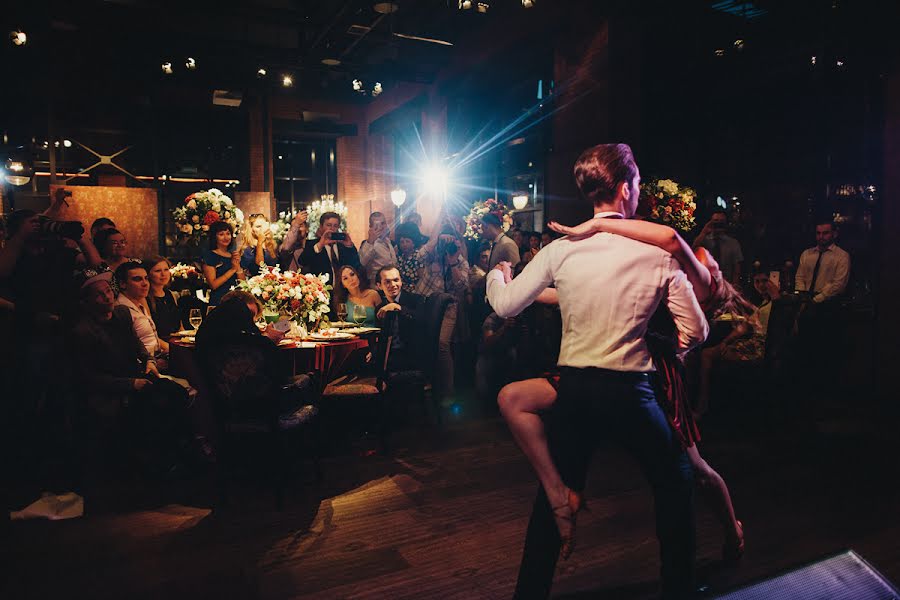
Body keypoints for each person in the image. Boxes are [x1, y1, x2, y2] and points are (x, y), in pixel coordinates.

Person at [488, 143, 708, 599]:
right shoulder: (658, 255)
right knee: (676, 483)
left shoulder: (561, 250)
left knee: (555, 497)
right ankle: (679, 590)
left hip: (576, 391)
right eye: (640, 185)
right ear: (626, 189)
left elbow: (506, 304)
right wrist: (675, 345)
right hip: (632, 391)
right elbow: (698, 330)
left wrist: (500, 273)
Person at [375, 265, 425, 372]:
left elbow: (422, 321)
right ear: (379, 286)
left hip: (412, 356)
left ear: (401, 282)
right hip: (389, 356)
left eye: (396, 280)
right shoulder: (380, 308)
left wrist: (398, 307)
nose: (393, 285)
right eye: (387, 282)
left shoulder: (416, 300)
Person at [115, 261, 168, 360]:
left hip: (158, 357)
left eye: (146, 278)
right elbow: (126, 352)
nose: (145, 284)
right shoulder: (121, 310)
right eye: (137, 279)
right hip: (145, 366)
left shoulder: (139, 304)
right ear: (122, 284)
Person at [298, 211, 360, 288]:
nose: (332, 229)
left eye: (335, 226)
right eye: (328, 225)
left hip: (344, 291)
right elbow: (302, 261)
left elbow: (356, 265)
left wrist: (349, 246)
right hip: (322, 291)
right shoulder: (312, 244)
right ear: (321, 227)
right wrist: (320, 245)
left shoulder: (343, 246)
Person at [794, 219, 850, 304]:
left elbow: (839, 284)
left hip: (828, 303)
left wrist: (817, 299)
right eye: (818, 233)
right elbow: (800, 277)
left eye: (825, 233)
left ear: (834, 234)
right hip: (805, 300)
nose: (821, 237)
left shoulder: (842, 256)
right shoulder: (806, 254)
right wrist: (802, 297)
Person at [693, 210, 744, 286]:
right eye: (715, 221)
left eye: (722, 221)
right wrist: (704, 232)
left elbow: (737, 269)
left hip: (726, 284)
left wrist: (735, 286)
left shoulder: (733, 243)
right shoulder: (704, 241)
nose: (718, 224)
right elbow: (692, 250)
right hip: (707, 283)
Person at [201, 221, 246, 306]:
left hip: (236, 300)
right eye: (221, 234)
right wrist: (232, 269)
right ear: (215, 237)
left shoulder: (233, 255)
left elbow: (243, 283)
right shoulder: (210, 256)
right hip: (219, 301)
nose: (226, 237)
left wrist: (238, 266)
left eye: (228, 234)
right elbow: (213, 285)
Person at [146, 256, 181, 340]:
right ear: (148, 274)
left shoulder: (170, 294)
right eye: (158, 271)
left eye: (166, 270)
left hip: (176, 341)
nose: (163, 274)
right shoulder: (145, 298)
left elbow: (180, 326)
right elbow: (151, 335)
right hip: (160, 345)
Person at [359, 211, 398, 286]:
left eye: (383, 223)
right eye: (377, 224)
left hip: (391, 282)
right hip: (377, 285)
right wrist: (370, 241)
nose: (381, 227)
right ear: (371, 227)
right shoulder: (369, 244)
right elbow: (362, 262)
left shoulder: (388, 241)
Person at [394, 222, 428, 294]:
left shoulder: (418, 256)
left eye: (407, 241)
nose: (404, 244)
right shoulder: (399, 258)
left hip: (416, 293)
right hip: (401, 292)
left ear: (413, 243)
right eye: (402, 242)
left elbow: (422, 279)